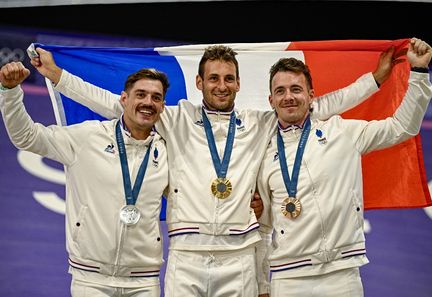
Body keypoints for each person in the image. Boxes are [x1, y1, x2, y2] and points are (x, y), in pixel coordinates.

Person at [29, 44, 392, 296]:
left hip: (239, 258)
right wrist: (59, 76)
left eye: (229, 78)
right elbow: (115, 104)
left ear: (238, 83)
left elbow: (320, 105)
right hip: (186, 256)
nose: (222, 85)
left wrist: (373, 80)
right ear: (200, 83)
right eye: (213, 78)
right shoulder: (175, 118)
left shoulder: (259, 122)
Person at [255, 37, 432, 297]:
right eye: (280, 91)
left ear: (311, 95)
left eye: (296, 89)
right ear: (271, 100)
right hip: (287, 277)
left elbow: (402, 127)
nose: (289, 97)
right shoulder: (261, 151)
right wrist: (262, 285)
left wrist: (417, 72)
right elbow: (262, 227)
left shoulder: (342, 132)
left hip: (342, 274)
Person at [0, 63, 170, 297]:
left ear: (162, 106)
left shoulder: (169, 152)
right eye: (140, 95)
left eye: (156, 97)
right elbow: (26, 137)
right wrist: (9, 92)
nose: (148, 102)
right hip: (90, 278)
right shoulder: (88, 137)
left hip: (144, 280)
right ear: (123, 98)